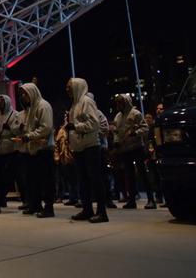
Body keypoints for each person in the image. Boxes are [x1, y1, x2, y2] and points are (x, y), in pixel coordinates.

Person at [66, 78, 108, 223]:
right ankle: (87, 209)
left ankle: (102, 212)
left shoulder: (86, 102)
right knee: (83, 181)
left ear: (77, 87)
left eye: (69, 86)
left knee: (95, 179)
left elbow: (94, 123)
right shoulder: (75, 105)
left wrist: (75, 126)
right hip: (79, 147)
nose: (67, 89)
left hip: (90, 146)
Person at [13, 83, 55, 217]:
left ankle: (49, 208)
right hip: (34, 149)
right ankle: (35, 205)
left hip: (44, 149)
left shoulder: (43, 106)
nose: (23, 96)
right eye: (22, 94)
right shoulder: (31, 108)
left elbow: (46, 128)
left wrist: (29, 136)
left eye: (25, 93)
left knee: (46, 180)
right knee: (33, 180)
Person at [111, 94, 156, 210]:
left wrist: (136, 133)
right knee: (128, 175)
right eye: (117, 103)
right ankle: (131, 200)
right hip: (124, 149)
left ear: (126, 102)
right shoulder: (117, 117)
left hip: (136, 147)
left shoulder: (135, 113)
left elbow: (145, 127)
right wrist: (116, 142)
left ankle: (151, 199)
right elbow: (116, 132)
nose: (118, 105)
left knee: (142, 173)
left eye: (120, 102)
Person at [0, 94, 21, 208]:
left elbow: (19, 131)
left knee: (12, 175)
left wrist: (9, 128)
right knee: (0, 176)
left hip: (11, 148)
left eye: (2, 101)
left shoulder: (15, 114)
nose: (1, 103)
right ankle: (1, 198)